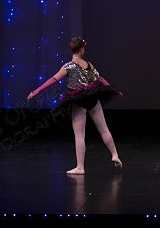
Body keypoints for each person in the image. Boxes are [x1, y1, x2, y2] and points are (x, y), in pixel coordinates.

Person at [27, 37, 122, 175]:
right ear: (81, 49)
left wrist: (36, 91)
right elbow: (100, 79)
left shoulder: (68, 66)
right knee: (104, 129)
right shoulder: (89, 64)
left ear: (72, 50)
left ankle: (80, 167)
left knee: (79, 136)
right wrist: (114, 91)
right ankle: (114, 154)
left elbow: (53, 79)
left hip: (79, 101)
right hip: (92, 98)